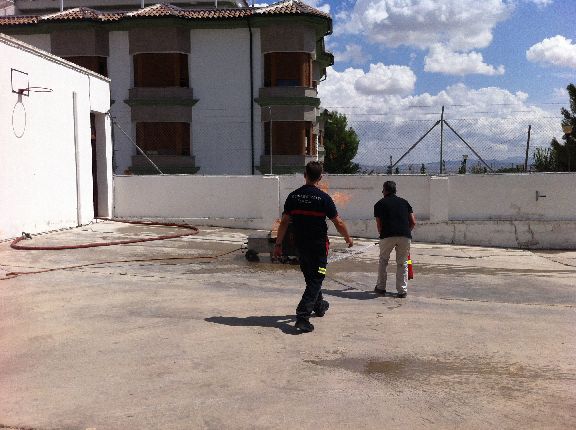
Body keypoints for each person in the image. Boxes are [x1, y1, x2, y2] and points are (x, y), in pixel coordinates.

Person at [274, 161, 353, 333]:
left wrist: (278, 244)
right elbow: (338, 222)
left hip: (300, 246)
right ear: (320, 177)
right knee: (318, 276)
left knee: (311, 277)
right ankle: (302, 316)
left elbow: (285, 222)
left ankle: (319, 305)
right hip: (318, 248)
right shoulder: (324, 198)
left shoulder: (293, 196)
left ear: (305, 175)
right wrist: (348, 238)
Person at [373, 180, 416, 298]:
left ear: (385, 190)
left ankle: (381, 288)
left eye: (383, 190)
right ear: (395, 190)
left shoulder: (379, 204)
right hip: (405, 235)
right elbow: (413, 222)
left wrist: (382, 236)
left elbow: (379, 225)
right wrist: (405, 233)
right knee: (403, 263)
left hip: (387, 235)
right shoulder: (405, 202)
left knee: (383, 261)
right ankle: (402, 291)